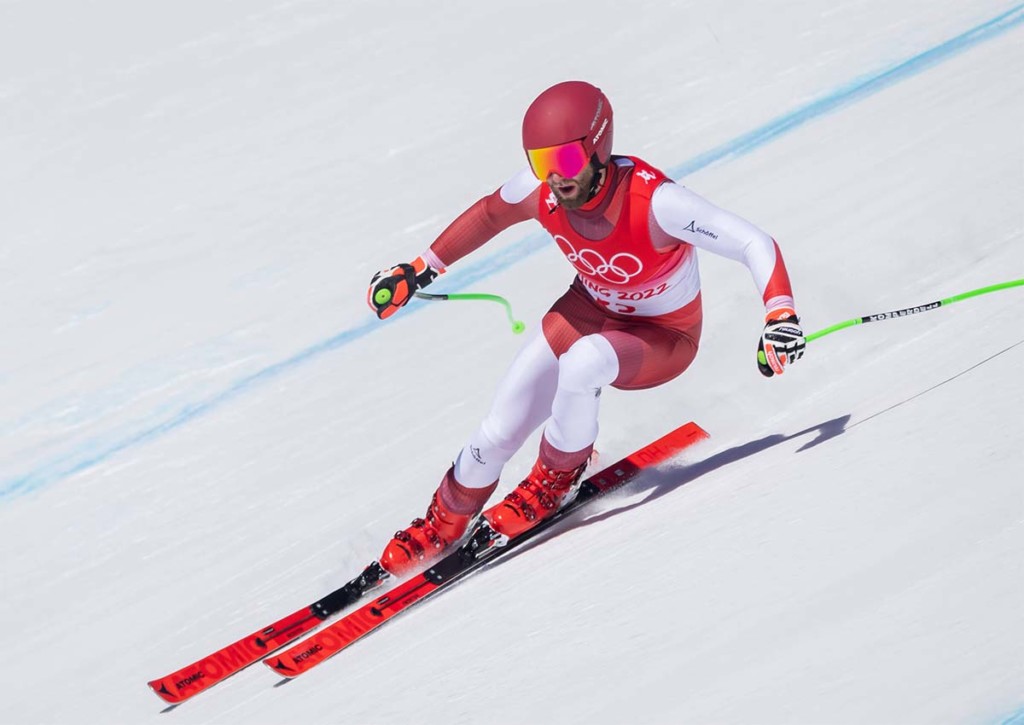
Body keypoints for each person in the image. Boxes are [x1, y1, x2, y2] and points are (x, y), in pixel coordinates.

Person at [366, 80, 805, 576]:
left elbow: (752, 242)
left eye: (567, 161)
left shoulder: (655, 201)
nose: (555, 177)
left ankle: (553, 480)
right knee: (498, 429)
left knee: (584, 362)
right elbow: (489, 214)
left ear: (598, 146)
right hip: (588, 309)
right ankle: (443, 520)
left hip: (662, 337)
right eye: (541, 163)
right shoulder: (542, 189)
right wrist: (419, 268)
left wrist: (780, 313)